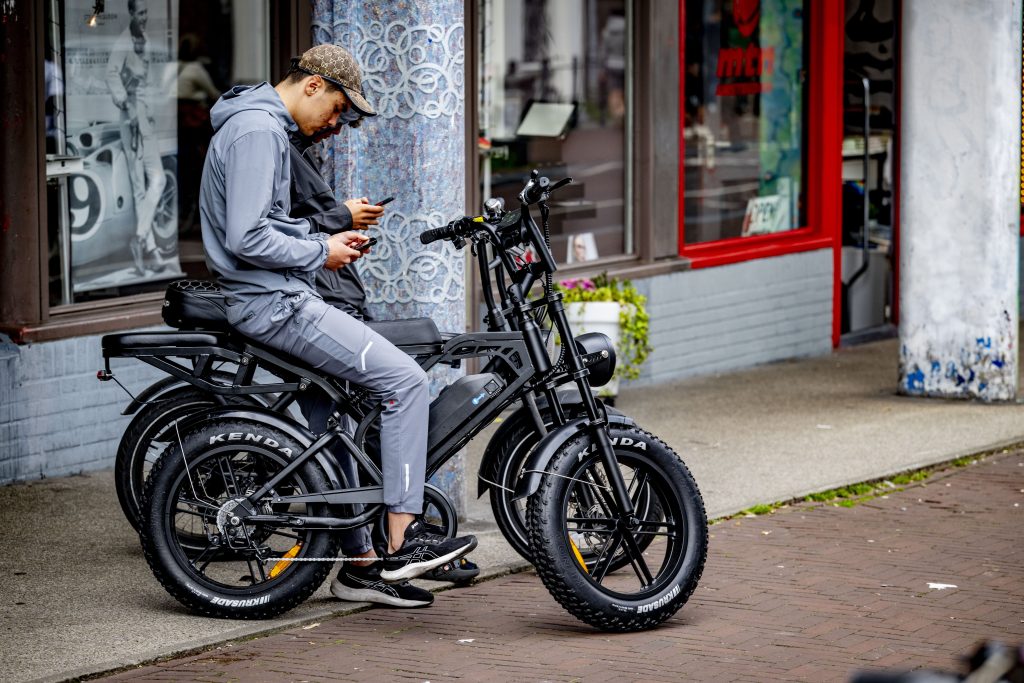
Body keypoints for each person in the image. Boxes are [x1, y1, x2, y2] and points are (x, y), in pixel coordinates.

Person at [199, 44, 477, 596]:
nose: (336, 124)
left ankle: (361, 565)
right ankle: (404, 541)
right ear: (312, 86)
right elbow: (247, 237)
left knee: (333, 427)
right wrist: (318, 252)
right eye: (337, 111)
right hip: (273, 302)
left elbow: (267, 225)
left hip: (272, 294)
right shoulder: (259, 131)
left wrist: (323, 241)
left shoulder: (257, 124)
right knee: (405, 381)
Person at [105, 0, 167, 275]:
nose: (144, 18)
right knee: (140, 187)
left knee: (158, 178)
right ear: (131, 13)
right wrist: (123, 102)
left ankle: (141, 238)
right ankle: (149, 249)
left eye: (146, 13)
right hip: (131, 119)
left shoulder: (143, 39)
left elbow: (148, 80)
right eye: (139, 13)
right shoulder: (123, 42)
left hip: (146, 118)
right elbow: (111, 73)